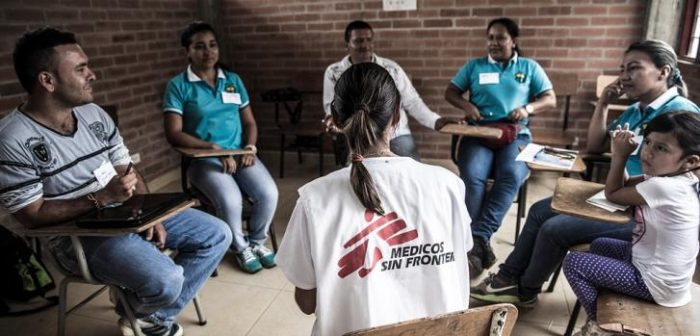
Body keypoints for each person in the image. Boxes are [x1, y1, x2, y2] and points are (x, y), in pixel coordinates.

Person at [0, 27, 231, 336]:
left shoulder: (94, 114)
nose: (92, 75)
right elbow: (30, 215)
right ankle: (147, 305)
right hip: (75, 238)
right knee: (167, 280)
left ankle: (147, 314)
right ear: (47, 81)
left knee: (217, 234)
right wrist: (101, 199)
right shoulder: (13, 138)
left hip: (123, 211)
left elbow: (126, 170)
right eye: (81, 69)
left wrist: (150, 213)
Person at [470, 39, 700, 307]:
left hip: (644, 216)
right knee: (540, 209)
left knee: (553, 229)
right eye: (622, 69)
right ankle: (507, 279)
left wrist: (623, 164)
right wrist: (603, 103)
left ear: (664, 72)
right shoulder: (637, 109)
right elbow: (595, 145)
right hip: (622, 196)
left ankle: (524, 290)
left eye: (634, 68)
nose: (624, 77)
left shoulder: (680, 115)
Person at [277, 63, 472, 336]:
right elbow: (457, 264)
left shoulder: (314, 200)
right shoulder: (448, 185)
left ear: (336, 117)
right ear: (396, 117)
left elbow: (306, 303)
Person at [564, 111, 700, 336]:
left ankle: (602, 325)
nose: (647, 152)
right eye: (647, 142)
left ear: (691, 161)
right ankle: (611, 307)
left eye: (661, 148)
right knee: (600, 243)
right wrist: (618, 151)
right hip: (663, 274)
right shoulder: (677, 178)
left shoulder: (665, 187)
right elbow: (623, 184)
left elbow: (613, 193)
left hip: (655, 282)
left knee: (574, 263)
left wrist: (620, 156)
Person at [163, 22, 279, 274]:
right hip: (204, 160)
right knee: (231, 199)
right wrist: (214, 149)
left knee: (268, 193)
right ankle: (240, 247)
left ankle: (257, 242)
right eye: (199, 47)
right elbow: (173, 134)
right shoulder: (178, 85)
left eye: (212, 45)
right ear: (187, 51)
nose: (208, 52)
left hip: (241, 155)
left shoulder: (233, 80)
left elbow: (249, 122)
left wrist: (249, 147)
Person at [444, 17, 556, 277]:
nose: (494, 43)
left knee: (511, 175)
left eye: (500, 38)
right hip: (479, 130)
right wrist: (468, 107)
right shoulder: (475, 66)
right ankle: (473, 244)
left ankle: (476, 239)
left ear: (513, 41)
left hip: (514, 133)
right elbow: (450, 92)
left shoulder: (529, 67)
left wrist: (527, 108)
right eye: (490, 38)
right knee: (473, 177)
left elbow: (549, 99)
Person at [323, 20, 462, 164]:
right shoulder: (334, 72)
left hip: (396, 133)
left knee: (409, 168)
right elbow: (331, 107)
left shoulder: (392, 69)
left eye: (369, 40)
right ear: (347, 45)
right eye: (358, 41)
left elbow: (412, 101)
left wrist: (435, 120)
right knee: (354, 171)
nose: (365, 45)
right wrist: (333, 123)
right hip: (356, 133)